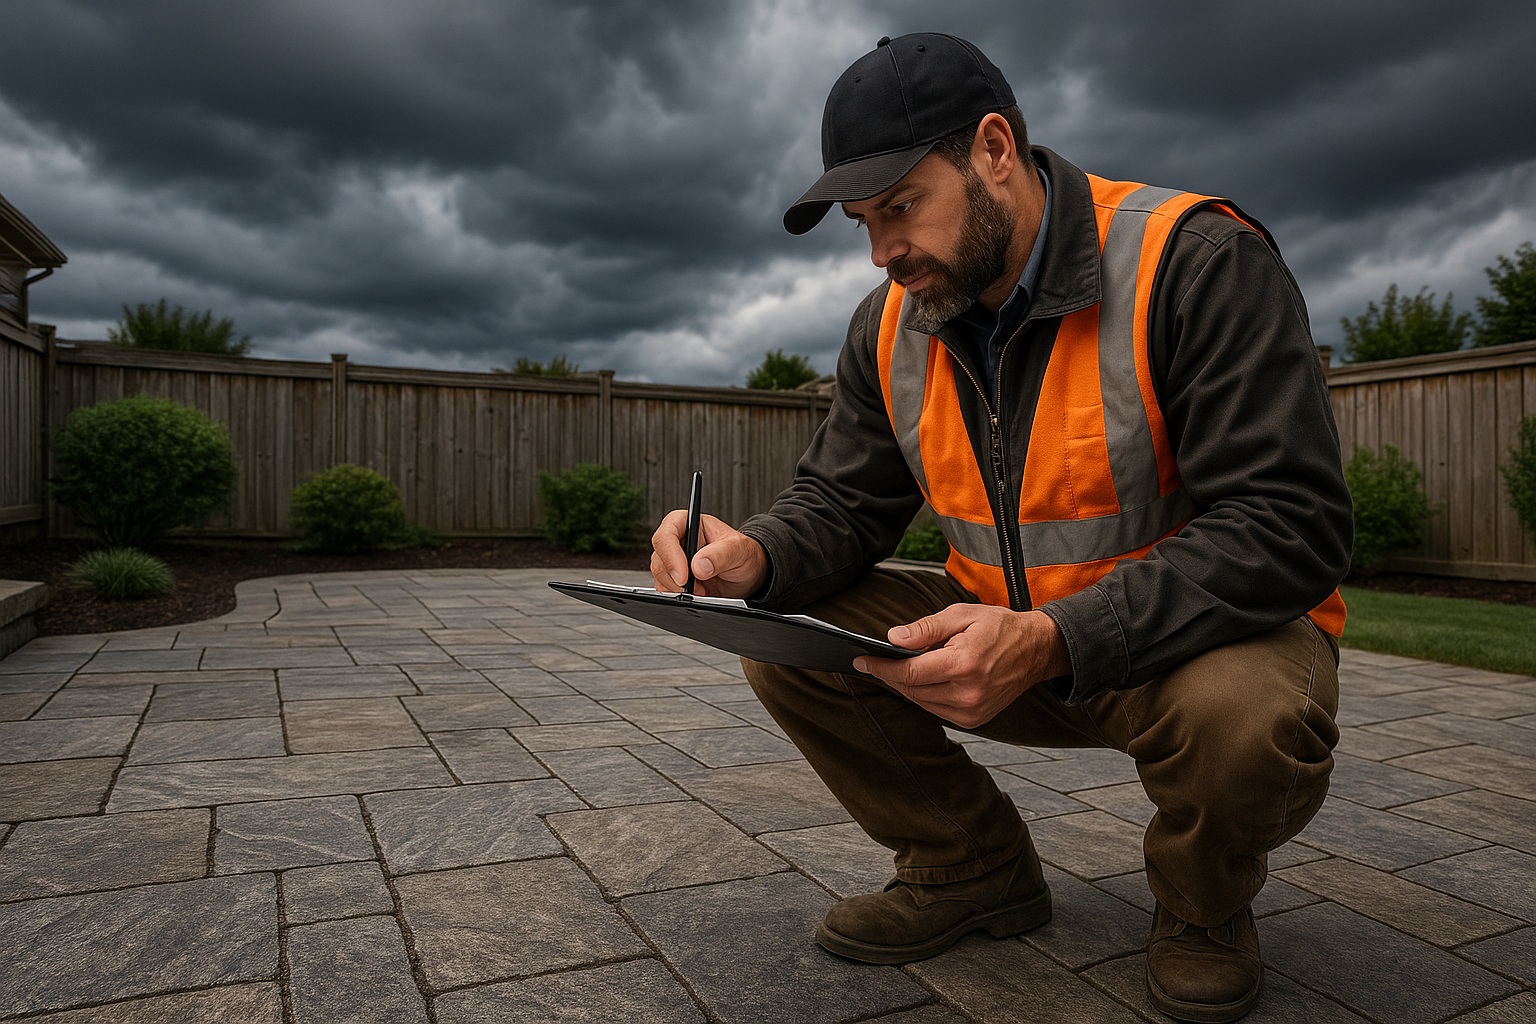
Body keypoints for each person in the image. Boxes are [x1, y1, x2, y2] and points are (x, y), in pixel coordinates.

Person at [650, 31, 1350, 1024]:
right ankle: (970, 869)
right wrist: (752, 554)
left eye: (899, 206)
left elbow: (1293, 522)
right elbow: (842, 504)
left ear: (992, 149)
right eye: (862, 220)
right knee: (787, 635)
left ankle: (1202, 906)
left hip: (1183, 652)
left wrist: (1063, 636)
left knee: (1251, 719)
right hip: (996, 638)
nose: (883, 249)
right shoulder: (894, 324)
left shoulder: (1194, 263)